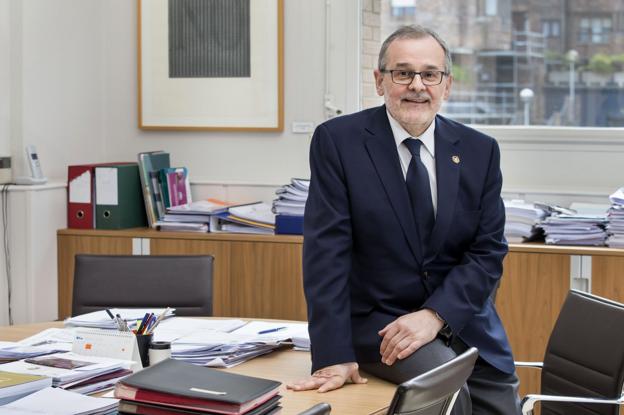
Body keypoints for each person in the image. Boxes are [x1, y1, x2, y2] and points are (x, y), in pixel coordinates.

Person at [286, 25, 521, 414]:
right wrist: (333, 352)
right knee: (448, 394)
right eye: (402, 73)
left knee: (501, 405)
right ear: (379, 81)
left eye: (430, 74)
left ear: (446, 85)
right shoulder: (338, 142)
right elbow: (326, 255)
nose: (417, 85)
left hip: (462, 324)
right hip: (381, 329)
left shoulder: (480, 151)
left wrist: (435, 316)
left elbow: (487, 251)